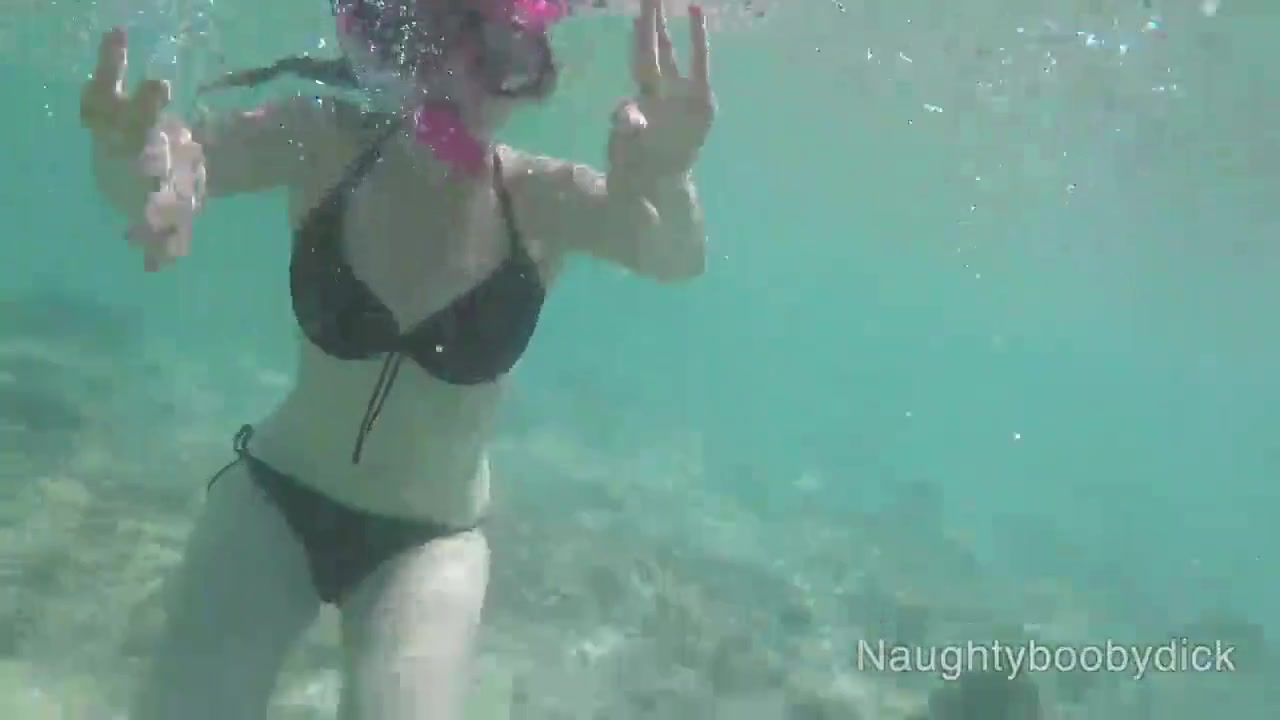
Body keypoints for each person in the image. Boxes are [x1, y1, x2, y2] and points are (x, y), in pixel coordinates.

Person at [78, 0, 714, 717]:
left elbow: (676, 257)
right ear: (388, 41)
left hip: (430, 546)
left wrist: (668, 176)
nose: (463, 80)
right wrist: (136, 164)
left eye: (502, 56)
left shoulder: (542, 198)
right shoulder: (321, 138)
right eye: (437, 38)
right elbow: (174, 168)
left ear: (533, 72)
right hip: (274, 502)